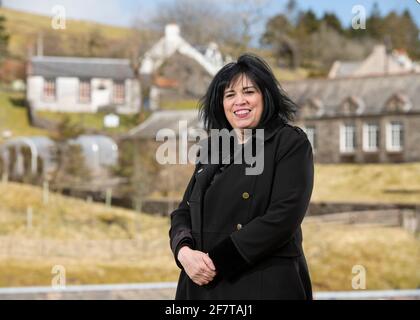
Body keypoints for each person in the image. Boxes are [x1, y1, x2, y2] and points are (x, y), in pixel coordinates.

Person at [169, 53, 314, 300]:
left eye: (249, 92)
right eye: (230, 95)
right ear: (221, 104)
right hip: (199, 286)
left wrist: (216, 262)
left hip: (262, 284)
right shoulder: (212, 148)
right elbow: (184, 212)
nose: (240, 101)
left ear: (265, 95)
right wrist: (183, 252)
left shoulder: (290, 142)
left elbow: (283, 217)